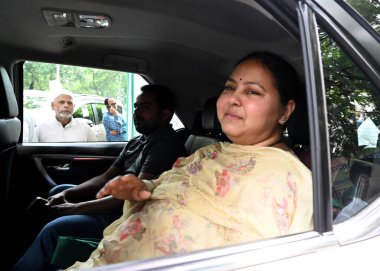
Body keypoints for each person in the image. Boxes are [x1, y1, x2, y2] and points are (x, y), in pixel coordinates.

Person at [66, 51, 313, 270]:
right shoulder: (211, 152)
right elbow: (164, 187)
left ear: (286, 111)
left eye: (252, 91)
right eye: (229, 88)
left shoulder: (288, 178)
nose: (233, 99)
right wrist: (141, 189)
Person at [12, 85, 187, 271]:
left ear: (164, 114)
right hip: (118, 206)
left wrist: (68, 210)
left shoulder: (165, 145)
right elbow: (105, 178)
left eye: (144, 107)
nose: (136, 112)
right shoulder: (138, 141)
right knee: (59, 190)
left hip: (130, 216)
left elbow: (131, 199)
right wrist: (67, 195)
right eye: (136, 106)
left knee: (54, 229)